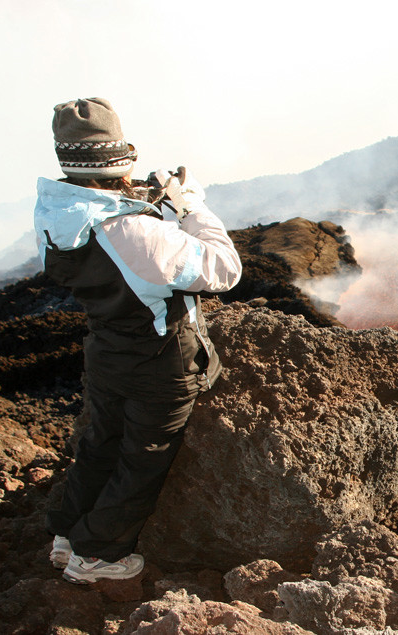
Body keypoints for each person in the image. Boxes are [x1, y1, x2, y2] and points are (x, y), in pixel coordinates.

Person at [34, 97, 242, 583]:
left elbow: (120, 252)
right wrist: (191, 208)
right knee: (142, 459)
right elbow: (224, 269)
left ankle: (66, 537)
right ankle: (97, 555)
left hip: (107, 349)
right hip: (159, 360)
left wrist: (148, 203)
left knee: (100, 443)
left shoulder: (58, 214)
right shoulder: (134, 230)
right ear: (120, 163)